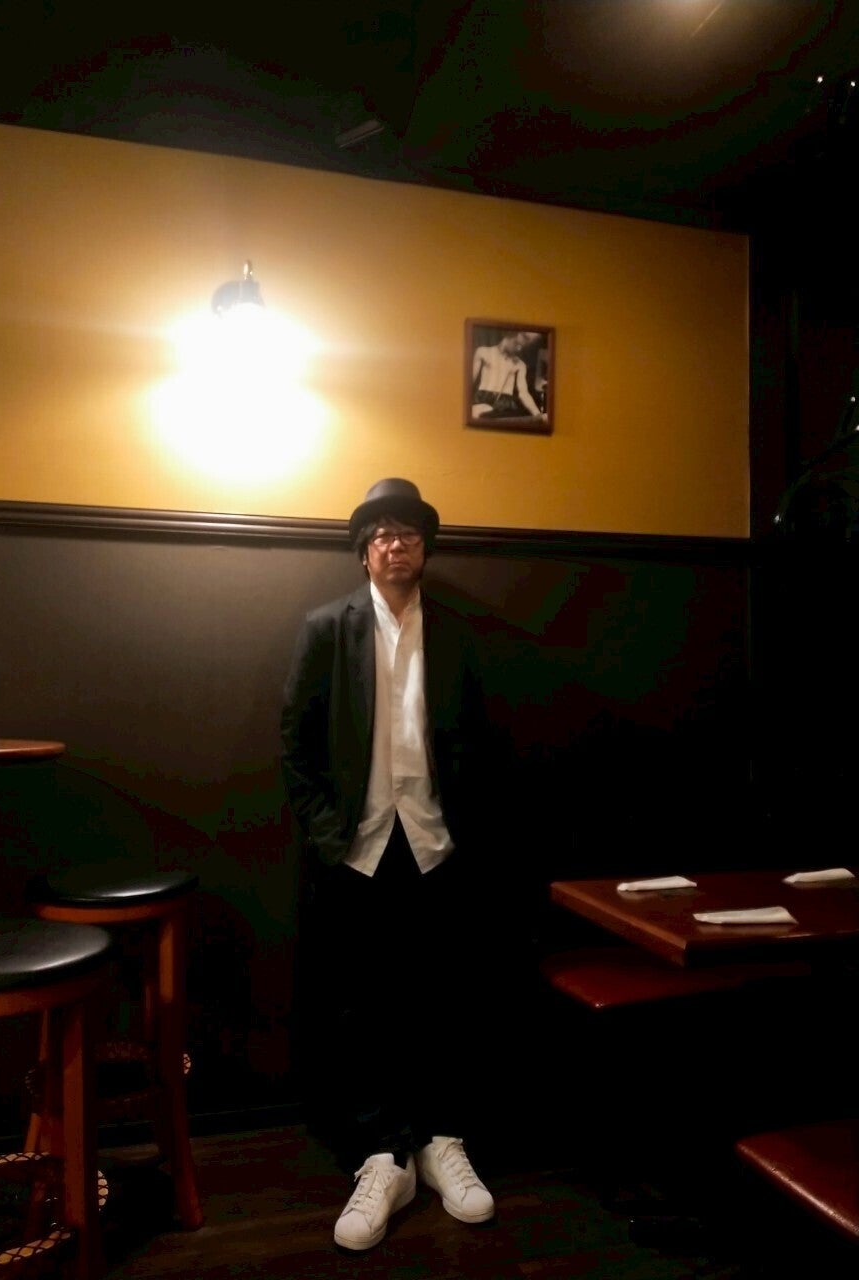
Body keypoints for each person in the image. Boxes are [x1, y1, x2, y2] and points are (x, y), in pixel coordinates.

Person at [281, 477, 497, 1252]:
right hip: (358, 847)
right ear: (362, 551)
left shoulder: (457, 633)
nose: (394, 544)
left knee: (444, 994)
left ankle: (441, 1141)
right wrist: (327, 834)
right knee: (359, 1004)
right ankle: (381, 1155)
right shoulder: (325, 629)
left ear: (424, 547)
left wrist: (470, 826)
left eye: (407, 532)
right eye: (380, 533)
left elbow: (480, 735)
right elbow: (295, 742)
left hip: (437, 841)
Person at [471, 330, 547, 420]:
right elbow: (468, 382)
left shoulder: (519, 364)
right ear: (510, 335)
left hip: (504, 405)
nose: (519, 349)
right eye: (516, 344)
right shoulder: (483, 352)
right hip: (481, 400)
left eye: (521, 347)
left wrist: (538, 414)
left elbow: (523, 393)